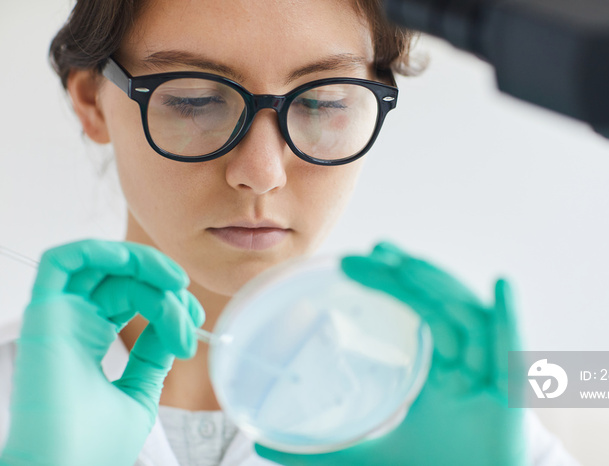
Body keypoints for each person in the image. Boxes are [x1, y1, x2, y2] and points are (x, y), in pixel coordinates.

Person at [0, 1, 578, 465]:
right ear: (91, 101)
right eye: (197, 101)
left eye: (323, 103)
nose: (261, 173)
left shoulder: (446, 424)